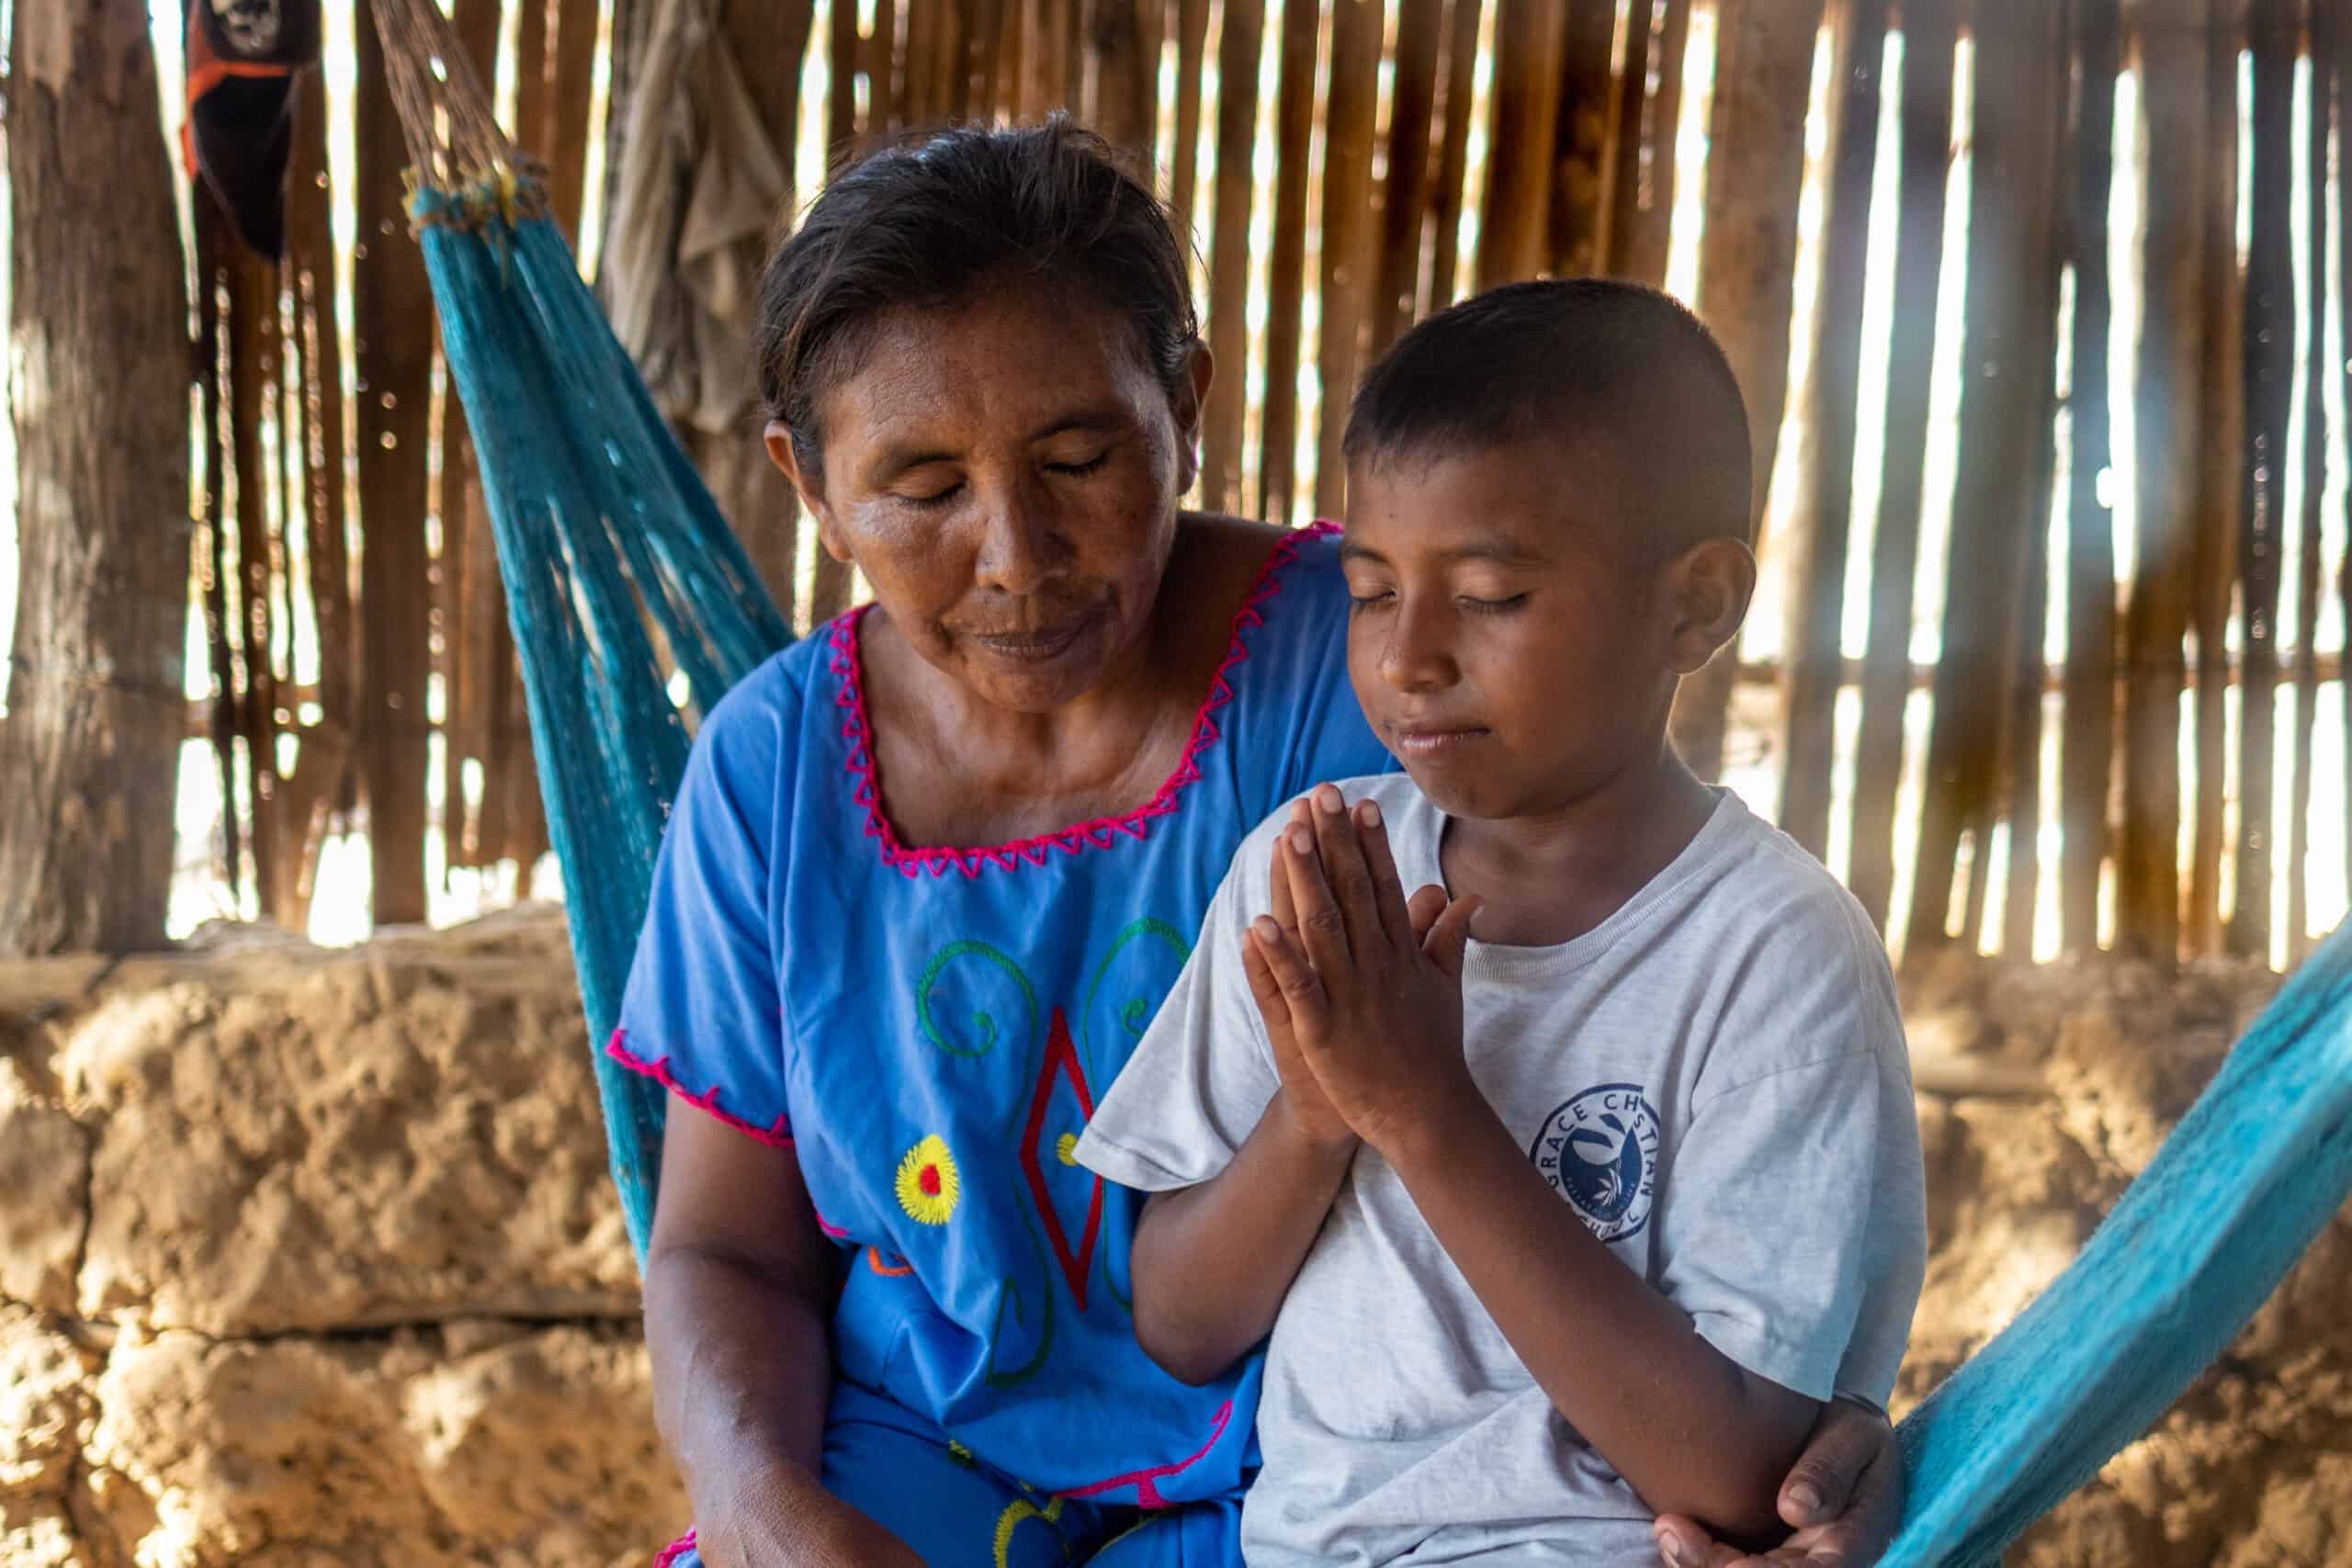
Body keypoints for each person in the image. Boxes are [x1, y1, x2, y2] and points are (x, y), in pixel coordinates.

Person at [614, 118, 1909, 1568]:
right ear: (810, 486)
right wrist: (756, 1509)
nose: (1015, 554)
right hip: (926, 1437)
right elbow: (724, 1248)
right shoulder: (775, 772)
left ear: (1187, 404)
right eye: (921, 490)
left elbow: (1667, 1014)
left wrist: (1811, 1418)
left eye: (1081, 454)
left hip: (1322, 1473)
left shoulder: (1383, 686)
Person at [1076, 280, 1928, 1568]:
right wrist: (1316, 1113)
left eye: (1488, 596)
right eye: (1371, 591)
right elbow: (1180, 1324)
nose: (1410, 657)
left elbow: (1750, 1476)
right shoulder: (1315, 876)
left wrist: (1424, 1114)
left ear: (1693, 606)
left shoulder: (1774, 958)